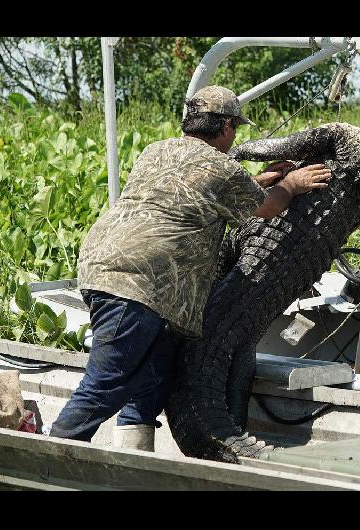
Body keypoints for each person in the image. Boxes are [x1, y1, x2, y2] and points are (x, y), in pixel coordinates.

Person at [49, 86, 332, 450]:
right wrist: (290, 185)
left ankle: (137, 458)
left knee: (155, 372)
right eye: (236, 129)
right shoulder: (222, 167)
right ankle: (52, 457)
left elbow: (196, 187)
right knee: (108, 381)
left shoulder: (156, 151)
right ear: (227, 126)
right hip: (140, 280)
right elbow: (266, 208)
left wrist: (261, 180)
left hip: (103, 262)